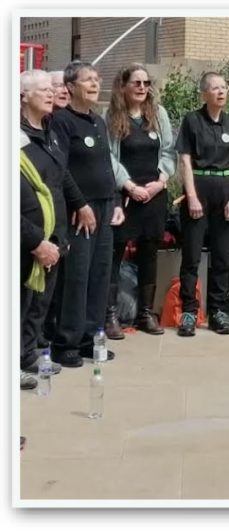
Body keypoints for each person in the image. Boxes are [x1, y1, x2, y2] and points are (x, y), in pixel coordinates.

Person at [48, 60, 121, 368]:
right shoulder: (62, 122)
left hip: (105, 206)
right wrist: (80, 204)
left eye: (96, 78)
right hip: (81, 210)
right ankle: (66, 343)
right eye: (87, 80)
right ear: (70, 87)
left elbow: (108, 165)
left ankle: (90, 339)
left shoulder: (97, 121)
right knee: (76, 277)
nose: (95, 84)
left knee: (99, 275)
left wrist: (116, 201)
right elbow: (61, 169)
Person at [104, 63, 175, 338]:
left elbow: (169, 151)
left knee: (149, 253)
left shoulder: (159, 114)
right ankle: (110, 314)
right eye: (137, 83)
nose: (142, 88)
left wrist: (160, 181)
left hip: (154, 194)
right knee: (115, 254)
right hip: (125, 196)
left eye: (146, 83)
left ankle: (146, 313)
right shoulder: (111, 116)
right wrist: (129, 186)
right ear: (123, 86)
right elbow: (109, 156)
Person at [20, 69, 80, 386]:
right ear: (22, 97)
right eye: (42, 89)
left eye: (50, 88)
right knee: (19, 303)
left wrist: (81, 204)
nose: (50, 93)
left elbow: (61, 176)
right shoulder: (14, 139)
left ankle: (27, 354)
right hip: (25, 241)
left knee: (39, 304)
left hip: (53, 236)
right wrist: (34, 241)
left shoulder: (50, 131)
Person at [175, 72, 229, 336]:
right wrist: (191, 196)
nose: (221, 92)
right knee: (192, 256)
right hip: (200, 188)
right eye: (215, 88)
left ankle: (218, 310)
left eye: (224, 87)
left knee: (222, 256)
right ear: (204, 93)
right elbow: (185, 160)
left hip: (225, 190)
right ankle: (189, 312)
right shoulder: (192, 121)